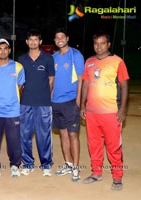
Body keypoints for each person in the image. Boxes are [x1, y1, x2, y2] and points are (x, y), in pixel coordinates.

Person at [80, 31, 129, 191]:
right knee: (94, 144)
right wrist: (82, 105)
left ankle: (117, 177)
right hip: (92, 112)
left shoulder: (117, 61)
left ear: (108, 44)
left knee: (113, 145)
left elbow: (124, 85)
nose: (98, 47)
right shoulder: (89, 62)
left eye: (102, 43)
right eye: (96, 43)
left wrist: (122, 109)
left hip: (111, 112)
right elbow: (85, 85)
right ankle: (96, 172)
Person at [0, 38, 25, 178]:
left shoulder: (18, 67)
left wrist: (11, 100)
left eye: (5, 48)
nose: (2, 51)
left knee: (14, 140)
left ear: (9, 50)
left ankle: (15, 165)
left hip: (13, 111)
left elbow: (20, 87)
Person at [18, 29, 55, 177]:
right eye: (30, 40)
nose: (33, 42)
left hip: (43, 104)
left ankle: (46, 164)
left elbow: (51, 80)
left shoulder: (48, 59)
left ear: (40, 42)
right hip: (25, 103)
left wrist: (46, 96)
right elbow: (19, 83)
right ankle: (28, 163)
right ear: (27, 42)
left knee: (43, 135)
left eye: (36, 40)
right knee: (24, 134)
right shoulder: (21, 59)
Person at [51, 28, 85, 182]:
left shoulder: (75, 55)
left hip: (70, 101)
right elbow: (50, 80)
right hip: (55, 102)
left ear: (67, 38)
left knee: (73, 135)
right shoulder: (53, 57)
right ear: (55, 40)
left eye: (62, 37)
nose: (59, 39)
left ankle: (76, 168)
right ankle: (68, 164)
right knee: (63, 134)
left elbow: (81, 79)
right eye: (57, 37)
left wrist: (79, 100)